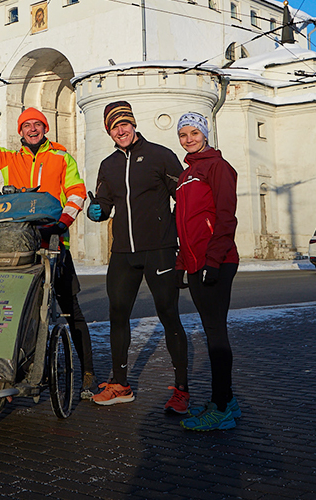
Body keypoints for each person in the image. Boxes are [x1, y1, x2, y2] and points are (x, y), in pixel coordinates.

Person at [0, 73, 98, 399]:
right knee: (17, 311)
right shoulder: (10, 158)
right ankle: (13, 372)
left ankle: (89, 371)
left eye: (36, 124)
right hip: (16, 245)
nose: (31, 129)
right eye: (26, 126)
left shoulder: (61, 157)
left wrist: (62, 223)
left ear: (44, 128)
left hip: (53, 242)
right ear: (20, 131)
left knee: (69, 308)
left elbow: (77, 192)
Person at [87, 101, 189, 410]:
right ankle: (120, 385)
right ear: (109, 131)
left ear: (133, 124)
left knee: (168, 314)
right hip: (123, 252)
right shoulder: (108, 164)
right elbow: (104, 202)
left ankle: (182, 389)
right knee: (117, 314)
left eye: (125, 124)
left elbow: (183, 197)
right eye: (115, 126)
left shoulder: (161, 156)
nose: (121, 130)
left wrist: (183, 239)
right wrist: (98, 211)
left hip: (159, 249)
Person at [173, 112, 241, 431]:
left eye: (193, 132)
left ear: (205, 133)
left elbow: (226, 218)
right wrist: (181, 265)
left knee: (215, 334)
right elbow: (185, 228)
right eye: (183, 134)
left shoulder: (218, 167)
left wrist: (213, 260)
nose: (188, 138)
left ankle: (222, 407)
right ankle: (225, 399)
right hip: (196, 263)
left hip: (217, 261)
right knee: (212, 329)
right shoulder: (187, 174)